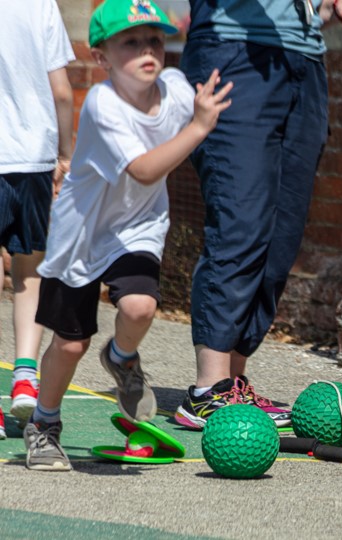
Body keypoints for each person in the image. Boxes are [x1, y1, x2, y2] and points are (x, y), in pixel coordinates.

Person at [23, 0, 232, 471]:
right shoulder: (103, 103)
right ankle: (44, 423)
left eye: (154, 40)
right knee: (70, 344)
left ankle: (122, 358)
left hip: (138, 227)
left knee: (140, 306)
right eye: (131, 43)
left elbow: (207, 113)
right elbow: (143, 170)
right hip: (81, 234)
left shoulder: (176, 88)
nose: (147, 51)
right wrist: (200, 127)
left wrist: (209, 114)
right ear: (102, 57)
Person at [175, 0, 342, 430]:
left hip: (305, 61)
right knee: (240, 221)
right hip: (235, 54)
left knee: (281, 235)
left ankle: (233, 380)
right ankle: (208, 388)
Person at [0, 0, 75, 440]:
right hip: (32, 156)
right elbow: (62, 91)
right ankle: (25, 376)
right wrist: (65, 153)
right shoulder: (39, 3)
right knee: (29, 267)